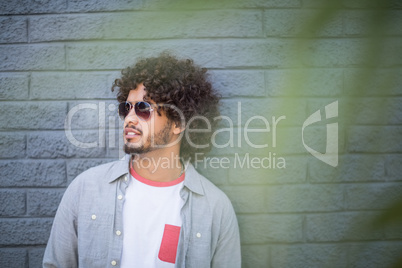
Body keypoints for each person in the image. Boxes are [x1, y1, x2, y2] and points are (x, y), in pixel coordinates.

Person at [43, 52, 241, 267]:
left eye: (143, 108)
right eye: (126, 108)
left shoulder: (215, 207)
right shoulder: (86, 189)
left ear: (179, 123)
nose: (129, 118)